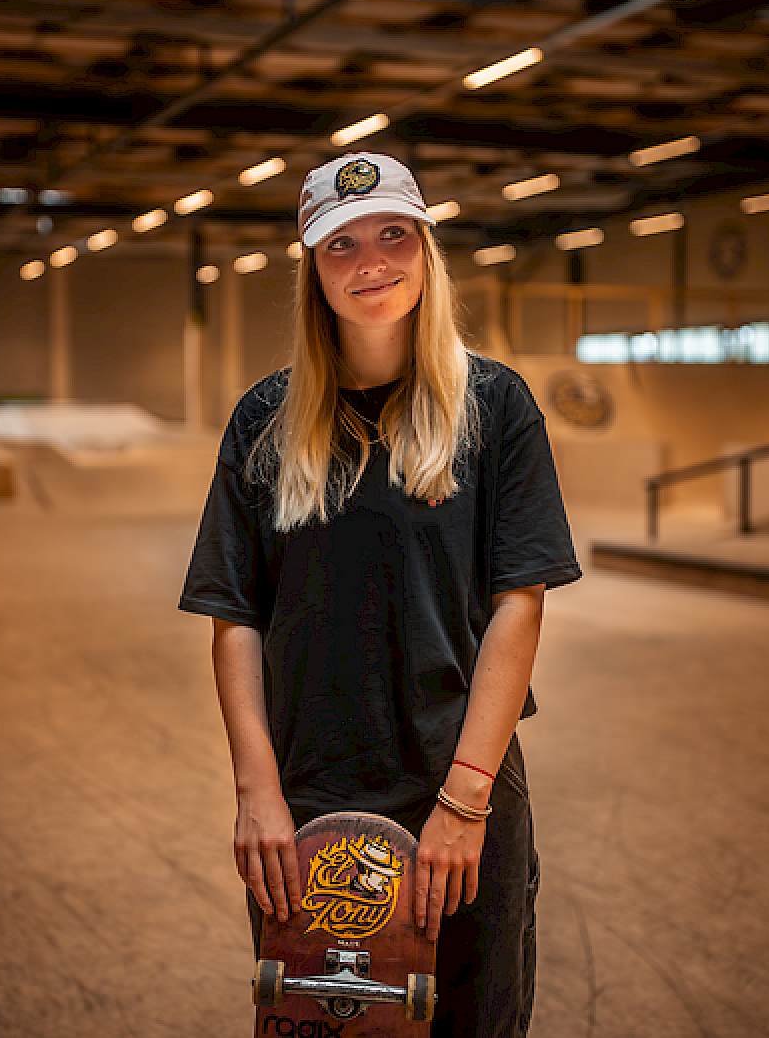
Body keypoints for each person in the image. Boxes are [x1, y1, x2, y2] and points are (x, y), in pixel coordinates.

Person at [179, 151, 580, 1037]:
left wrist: (465, 801)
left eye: (394, 234)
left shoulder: (494, 406)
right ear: (312, 272)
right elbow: (234, 616)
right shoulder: (265, 422)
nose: (371, 263)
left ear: (427, 248)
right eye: (341, 246)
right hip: (310, 796)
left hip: (458, 782)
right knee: (329, 1026)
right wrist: (256, 792)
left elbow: (522, 602)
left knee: (474, 1020)